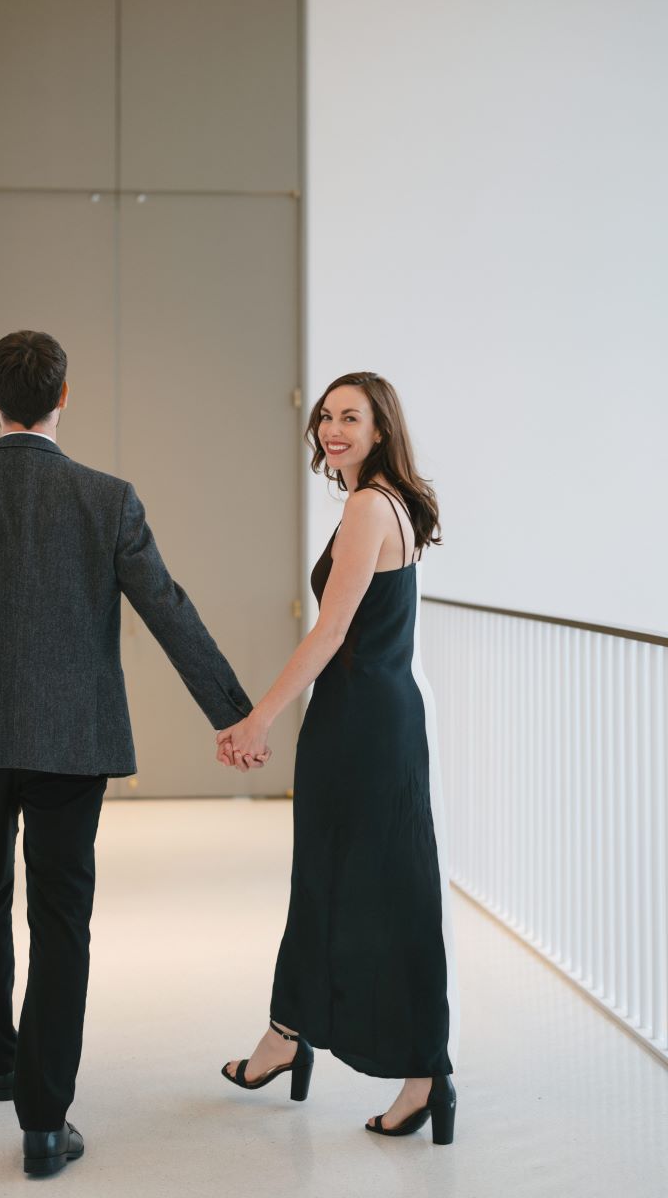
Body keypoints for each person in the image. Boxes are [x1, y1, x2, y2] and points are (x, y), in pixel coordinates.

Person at [0, 329, 269, 1176]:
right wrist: (234, 713)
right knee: (61, 918)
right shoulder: (109, 499)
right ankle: (42, 1122)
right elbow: (169, 610)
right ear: (66, 398)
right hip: (73, 742)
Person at [215, 371, 460, 1143]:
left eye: (351, 418)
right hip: (369, 721)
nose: (333, 430)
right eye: (326, 417)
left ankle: (427, 1075)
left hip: (362, 727)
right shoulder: (391, 502)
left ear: (381, 428)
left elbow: (330, 634)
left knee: (387, 892)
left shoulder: (366, 507)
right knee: (325, 880)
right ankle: (287, 1035)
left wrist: (257, 720)